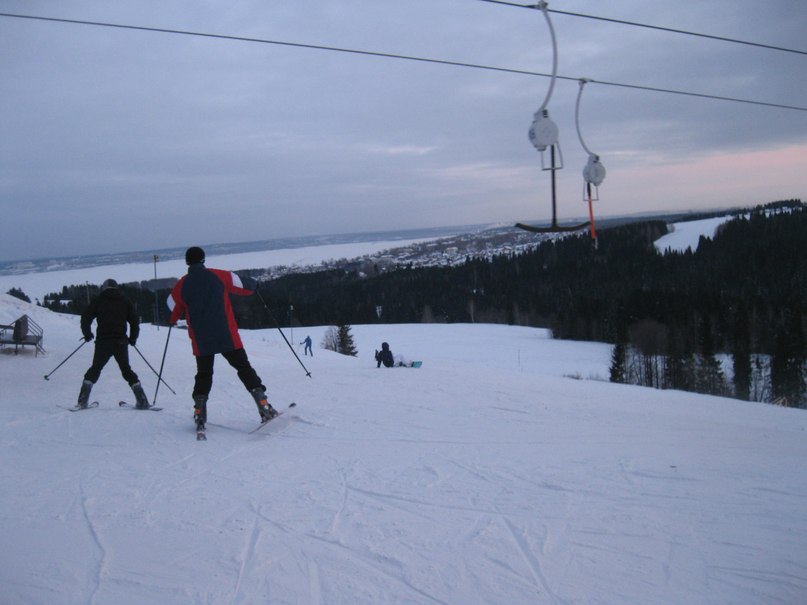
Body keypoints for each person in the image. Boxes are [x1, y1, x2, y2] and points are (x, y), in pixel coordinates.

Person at [167, 246, 278, 431]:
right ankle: (264, 405)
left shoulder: (182, 284)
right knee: (244, 368)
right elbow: (243, 283)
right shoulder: (217, 275)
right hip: (226, 334)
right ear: (203, 259)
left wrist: (173, 317)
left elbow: (170, 309)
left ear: (187, 262)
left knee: (204, 374)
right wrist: (255, 285)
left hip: (201, 339)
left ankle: (200, 412)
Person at [77, 279, 150, 409]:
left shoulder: (98, 300)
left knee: (95, 369)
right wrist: (133, 339)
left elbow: (86, 317)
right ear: (116, 288)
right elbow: (134, 322)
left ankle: (82, 401)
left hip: (103, 342)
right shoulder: (125, 301)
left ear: (104, 288)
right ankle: (142, 401)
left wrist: (87, 334)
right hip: (120, 342)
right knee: (126, 370)